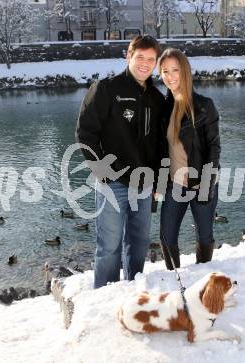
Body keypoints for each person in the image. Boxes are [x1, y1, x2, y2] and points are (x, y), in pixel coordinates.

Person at [76, 35, 164, 288]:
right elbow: (85, 133)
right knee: (109, 247)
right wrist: (102, 172)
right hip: (113, 184)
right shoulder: (106, 89)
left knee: (138, 245)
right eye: (140, 58)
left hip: (145, 185)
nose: (145, 64)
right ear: (128, 56)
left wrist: (158, 180)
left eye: (151, 59)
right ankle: (104, 297)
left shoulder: (157, 99)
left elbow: (160, 146)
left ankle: (133, 292)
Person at [158, 48, 221, 270]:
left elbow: (214, 148)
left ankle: (202, 274)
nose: (170, 75)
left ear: (185, 71)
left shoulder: (204, 106)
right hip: (174, 185)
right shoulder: (163, 108)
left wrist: (205, 186)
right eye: (165, 71)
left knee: (204, 235)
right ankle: (175, 277)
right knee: (166, 235)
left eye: (175, 69)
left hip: (200, 183)